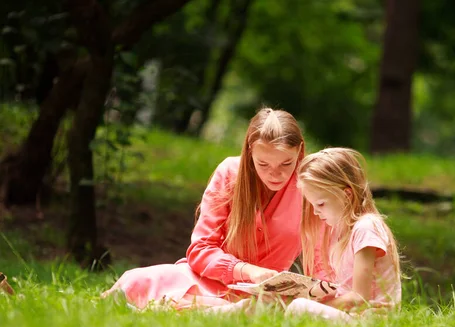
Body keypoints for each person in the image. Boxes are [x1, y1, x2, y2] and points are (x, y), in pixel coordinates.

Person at [102, 107, 305, 310]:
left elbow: (323, 259)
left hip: (267, 294)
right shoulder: (229, 172)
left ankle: (204, 309)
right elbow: (201, 250)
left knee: (260, 307)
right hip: (208, 281)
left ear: (300, 152)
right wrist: (247, 271)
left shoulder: (310, 187)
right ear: (250, 151)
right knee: (139, 280)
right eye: (263, 164)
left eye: (286, 164)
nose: (275, 174)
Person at [285, 148, 402, 321]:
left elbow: (359, 298)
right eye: (312, 205)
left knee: (299, 308)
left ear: (346, 194)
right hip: (353, 317)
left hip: (372, 321)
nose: (316, 212)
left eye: (321, 204)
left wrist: (318, 306)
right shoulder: (340, 231)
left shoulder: (366, 227)